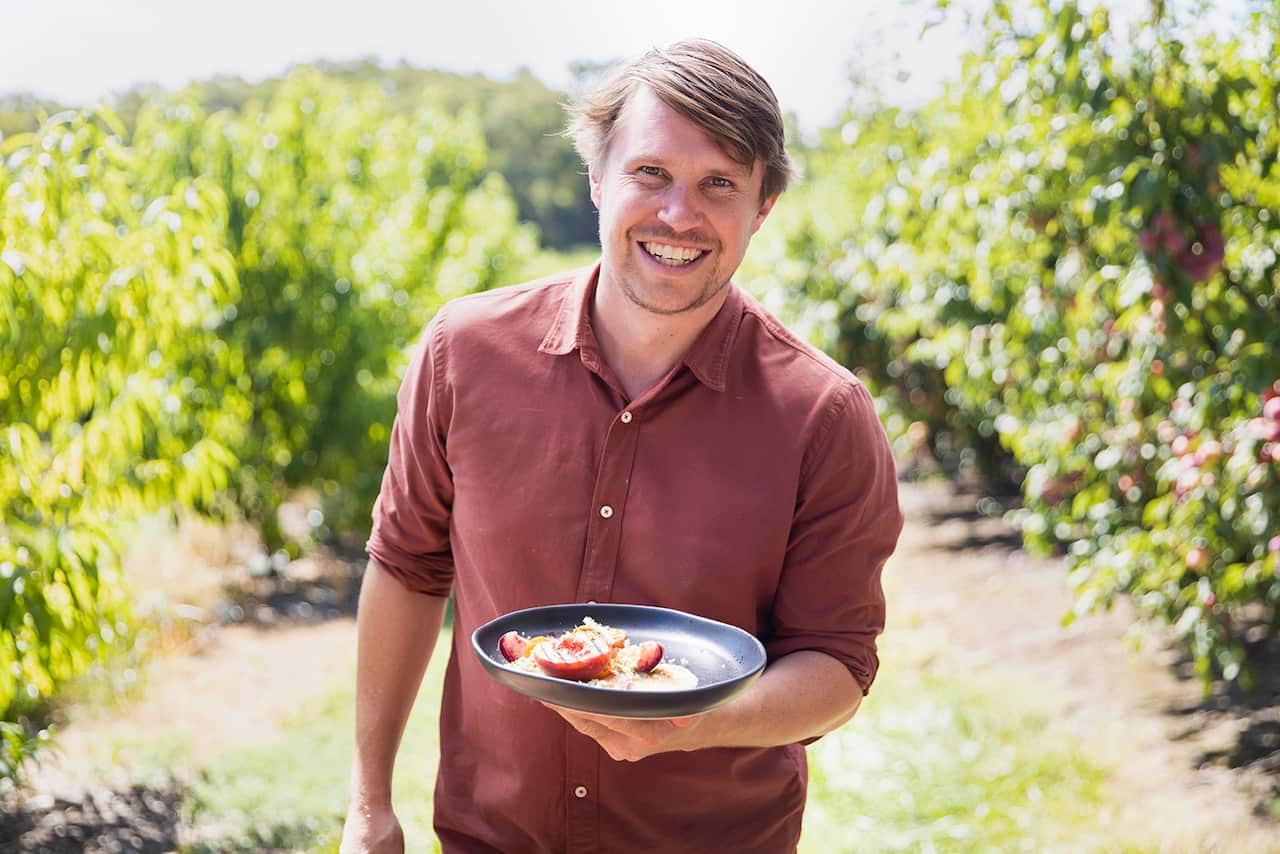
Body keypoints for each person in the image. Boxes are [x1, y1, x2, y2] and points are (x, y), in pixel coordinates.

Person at [340, 38, 903, 854]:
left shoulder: (824, 415)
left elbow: (837, 667)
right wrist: (368, 807)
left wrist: (694, 725)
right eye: (651, 173)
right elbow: (406, 566)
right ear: (598, 177)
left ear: (763, 207)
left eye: (719, 183)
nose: (679, 214)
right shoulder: (463, 353)